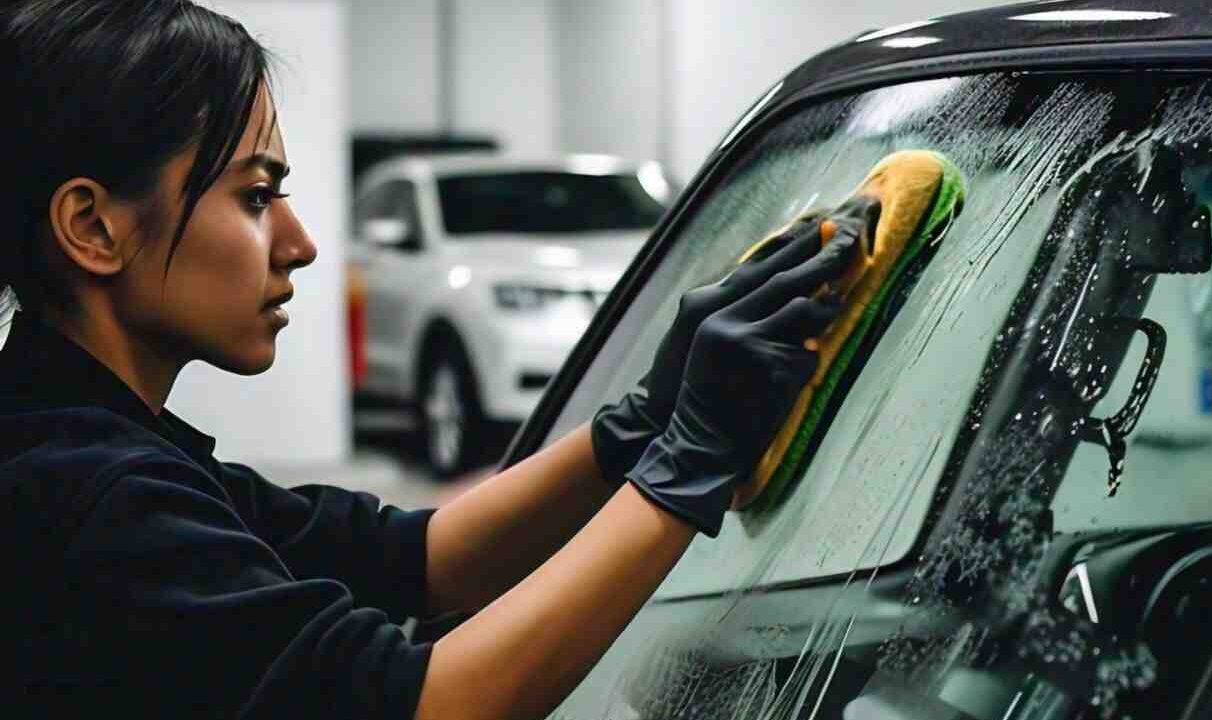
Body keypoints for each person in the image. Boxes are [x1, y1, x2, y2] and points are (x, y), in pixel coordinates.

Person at [0, 2, 872, 718]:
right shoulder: (89, 498)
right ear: (93, 227)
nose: (301, 244)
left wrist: (638, 426)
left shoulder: (99, 446)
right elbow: (427, 706)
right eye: (256, 197)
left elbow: (420, 560)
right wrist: (689, 467)